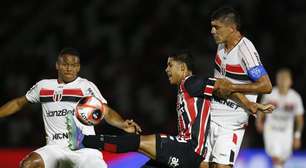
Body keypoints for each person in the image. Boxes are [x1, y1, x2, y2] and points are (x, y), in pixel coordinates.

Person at [66, 51, 274, 168]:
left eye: (170, 65)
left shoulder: (191, 82)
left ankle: (83, 140)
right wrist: (247, 103)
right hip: (188, 152)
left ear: (182, 68)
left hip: (189, 148)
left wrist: (248, 103)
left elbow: (222, 85)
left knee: (138, 142)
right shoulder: (186, 88)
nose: (166, 69)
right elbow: (222, 90)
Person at [0, 48, 141, 168]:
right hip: (55, 148)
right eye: (65, 64)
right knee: (28, 165)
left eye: (74, 65)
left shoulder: (85, 86)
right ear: (57, 65)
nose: (69, 68)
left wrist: (121, 123)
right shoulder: (43, 86)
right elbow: (19, 103)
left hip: (85, 149)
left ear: (78, 67)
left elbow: (106, 111)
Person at [202, 7, 273, 168]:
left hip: (231, 123)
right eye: (212, 26)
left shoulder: (245, 50)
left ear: (232, 28)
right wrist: (247, 102)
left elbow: (266, 85)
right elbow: (221, 87)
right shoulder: (221, 47)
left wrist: (232, 86)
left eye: (217, 27)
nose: (212, 31)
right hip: (211, 116)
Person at [256, 68, 304, 168]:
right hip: (271, 130)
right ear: (277, 80)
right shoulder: (270, 94)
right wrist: (259, 122)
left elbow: (299, 119)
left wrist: (297, 136)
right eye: (280, 79)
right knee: (276, 157)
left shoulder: (295, 97)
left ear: (290, 81)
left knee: (282, 160)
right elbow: (261, 109)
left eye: (285, 79)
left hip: (287, 132)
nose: (283, 82)